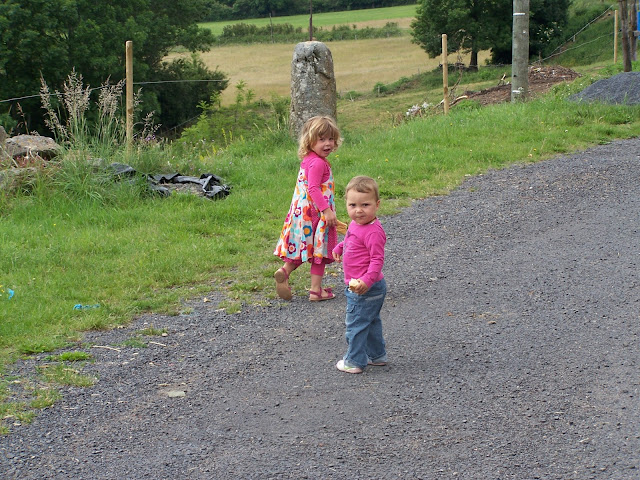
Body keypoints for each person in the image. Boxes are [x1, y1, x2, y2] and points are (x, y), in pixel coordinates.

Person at [274, 115, 342, 302]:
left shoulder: (308, 159)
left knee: (304, 248)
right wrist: (326, 210)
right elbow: (313, 189)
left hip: (301, 215)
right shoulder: (319, 163)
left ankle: (284, 272)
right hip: (316, 213)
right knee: (320, 251)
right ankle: (315, 290)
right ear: (309, 140)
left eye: (331, 139)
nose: (327, 144)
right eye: (322, 139)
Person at [332, 176, 387, 374]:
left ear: (377, 204)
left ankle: (354, 361)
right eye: (353, 205)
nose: (358, 210)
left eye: (365, 205)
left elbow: (377, 260)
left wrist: (366, 281)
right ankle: (377, 355)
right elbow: (351, 238)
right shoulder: (357, 223)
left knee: (356, 324)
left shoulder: (373, 232)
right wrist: (340, 247)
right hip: (366, 286)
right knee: (370, 322)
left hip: (366, 287)